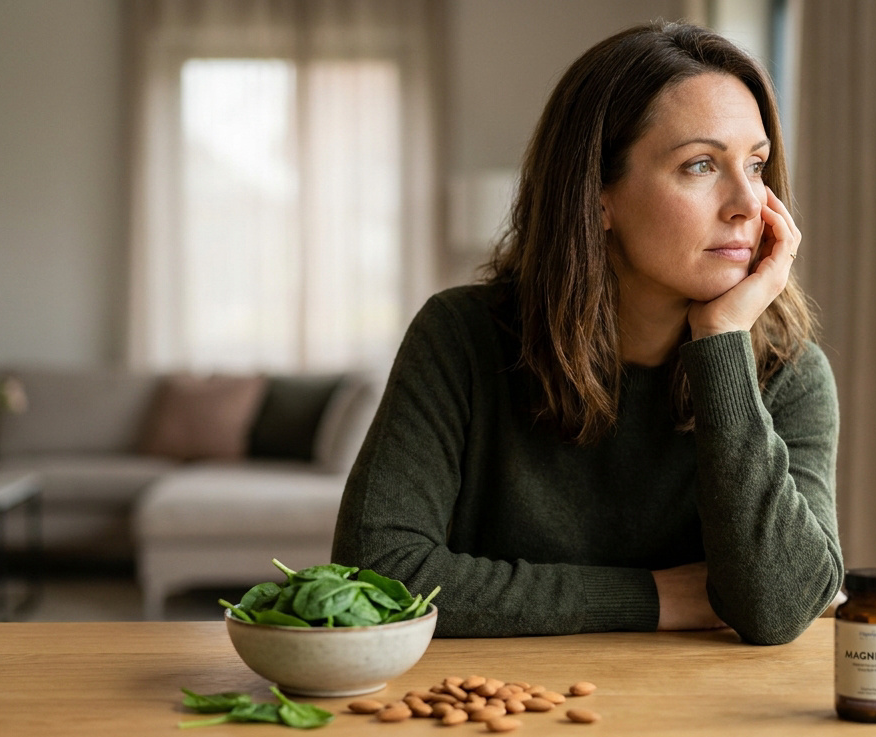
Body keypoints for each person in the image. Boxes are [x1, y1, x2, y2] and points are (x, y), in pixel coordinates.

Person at [331, 21, 841, 645]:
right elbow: (375, 578)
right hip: (499, 711)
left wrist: (722, 344)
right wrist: (653, 596)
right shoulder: (460, 339)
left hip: (703, 723)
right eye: (701, 164)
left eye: (756, 165)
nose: (746, 203)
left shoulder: (785, 370)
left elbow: (781, 608)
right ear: (598, 196)